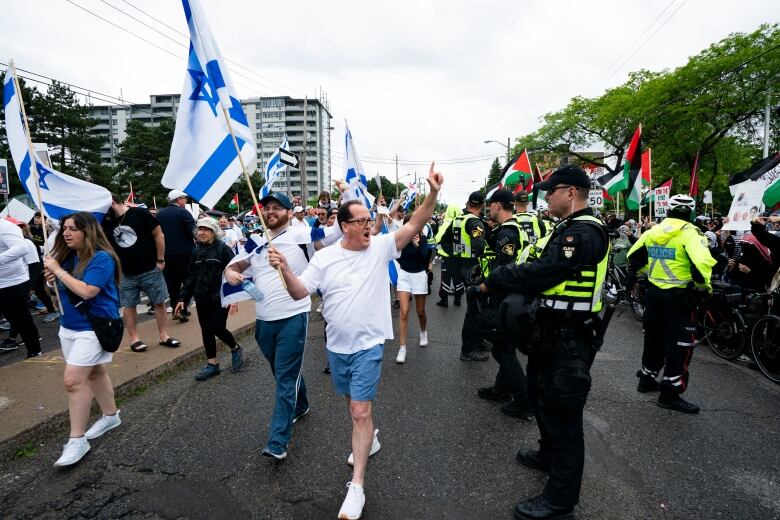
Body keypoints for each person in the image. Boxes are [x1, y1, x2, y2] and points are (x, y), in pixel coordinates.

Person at [268, 164, 443, 520]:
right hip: (337, 348)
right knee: (354, 406)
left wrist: (433, 195)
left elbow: (414, 225)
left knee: (359, 411)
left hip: (369, 345)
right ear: (345, 226)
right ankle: (370, 438)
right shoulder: (325, 257)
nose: (369, 224)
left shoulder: (380, 247)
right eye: (362, 220)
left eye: (369, 220)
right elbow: (301, 292)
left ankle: (357, 486)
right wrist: (285, 269)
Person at [486, 166, 610, 520]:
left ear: (570, 193)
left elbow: (546, 272)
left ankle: (559, 500)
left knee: (563, 415)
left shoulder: (583, 233)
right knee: (540, 396)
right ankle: (547, 453)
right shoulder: (568, 227)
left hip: (569, 337)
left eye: (550, 191)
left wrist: (501, 277)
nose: (545, 197)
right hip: (551, 333)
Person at [224, 192, 329, 461]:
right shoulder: (257, 242)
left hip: (293, 315)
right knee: (283, 372)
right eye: (267, 208)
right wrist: (231, 272)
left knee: (284, 377)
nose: (271, 212)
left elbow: (329, 248)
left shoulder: (303, 236)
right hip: (264, 322)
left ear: (289, 212)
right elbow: (235, 265)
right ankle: (301, 405)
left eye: (277, 208)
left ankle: (277, 441)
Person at [42, 212, 122, 467]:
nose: (66, 233)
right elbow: (61, 288)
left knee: (73, 380)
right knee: (95, 372)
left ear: (88, 232)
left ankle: (77, 440)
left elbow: (88, 292)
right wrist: (52, 277)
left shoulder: (102, 258)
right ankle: (111, 416)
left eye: (74, 229)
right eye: (65, 228)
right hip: (69, 327)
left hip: (94, 326)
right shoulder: (67, 257)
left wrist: (58, 271)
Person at [628, 194, 716, 414]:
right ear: (691, 212)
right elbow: (701, 264)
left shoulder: (653, 231)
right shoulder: (691, 233)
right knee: (680, 345)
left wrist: (650, 275)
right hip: (679, 297)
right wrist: (703, 289)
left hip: (654, 294)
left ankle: (646, 379)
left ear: (668, 209)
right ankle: (670, 393)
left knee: (654, 339)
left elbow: (634, 256)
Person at [468, 189, 532, 418]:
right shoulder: (508, 229)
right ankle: (503, 388)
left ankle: (524, 398)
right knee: (502, 345)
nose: (488, 210)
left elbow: (504, 269)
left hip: (504, 295)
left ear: (497, 205)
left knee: (502, 348)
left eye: (490, 205)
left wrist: (482, 287)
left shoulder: (507, 233)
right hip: (506, 294)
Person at [103, 198, 180, 352]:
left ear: (111, 202)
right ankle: (134, 339)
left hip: (150, 268)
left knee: (159, 302)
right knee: (129, 305)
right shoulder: (106, 221)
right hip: (125, 272)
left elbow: (159, 235)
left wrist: (160, 259)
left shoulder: (139, 213)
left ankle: (164, 336)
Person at [176, 218, 242, 381]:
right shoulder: (196, 251)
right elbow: (190, 276)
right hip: (202, 298)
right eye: (199, 229)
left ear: (214, 232)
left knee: (218, 328)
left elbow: (234, 273)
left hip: (220, 298)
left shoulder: (223, 250)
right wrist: (183, 297)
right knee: (206, 330)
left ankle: (235, 348)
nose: (202, 232)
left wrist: (235, 298)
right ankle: (212, 364)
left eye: (206, 229)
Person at [451, 191, 488, 361]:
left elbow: (444, 240)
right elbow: (480, 245)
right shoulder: (474, 221)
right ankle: (467, 349)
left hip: (460, 264)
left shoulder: (458, 219)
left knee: (479, 305)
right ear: (482, 205)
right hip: (472, 266)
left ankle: (479, 340)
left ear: (468, 203)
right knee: (474, 309)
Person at [0, 217, 42, 357]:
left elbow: (21, 248)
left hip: (12, 284)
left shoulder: (5, 226)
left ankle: (34, 351)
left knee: (21, 320)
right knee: (13, 319)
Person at [394, 214, 430, 364]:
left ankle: (423, 332)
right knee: (404, 312)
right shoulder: (402, 239)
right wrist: (411, 246)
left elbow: (424, 258)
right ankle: (402, 348)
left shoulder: (423, 239)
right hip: (404, 275)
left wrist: (417, 246)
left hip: (420, 275)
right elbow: (400, 257)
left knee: (420, 312)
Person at [155, 190, 196, 322]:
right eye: (184, 198)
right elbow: (193, 232)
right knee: (188, 282)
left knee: (173, 284)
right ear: (178, 199)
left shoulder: (159, 214)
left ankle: (176, 309)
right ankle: (182, 308)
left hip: (166, 254)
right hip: (185, 253)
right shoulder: (183, 212)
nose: (186, 201)